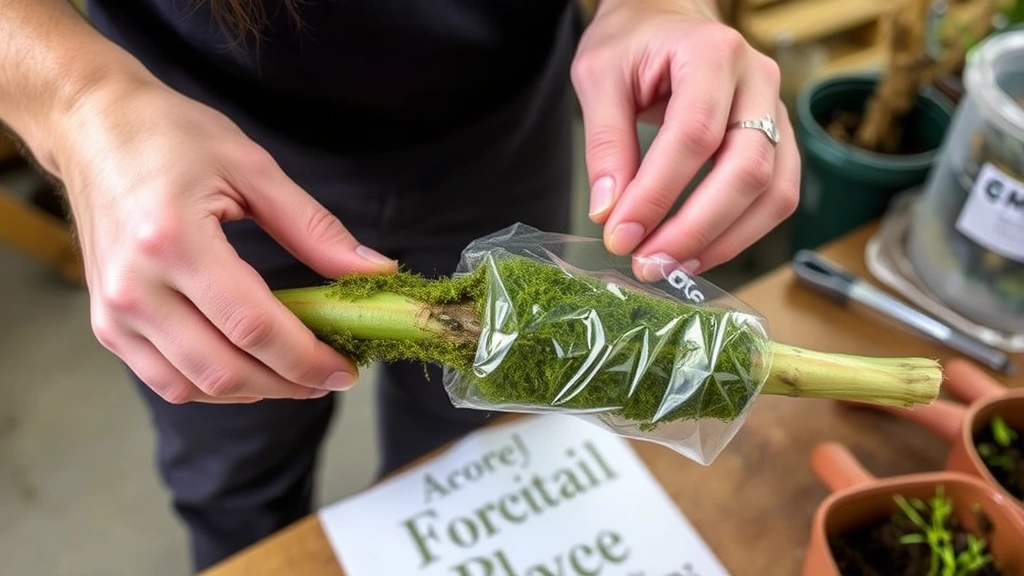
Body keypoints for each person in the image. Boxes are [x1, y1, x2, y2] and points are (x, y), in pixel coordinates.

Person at [0, 0, 800, 571]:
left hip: (501, 130)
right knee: (230, 464)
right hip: (186, 156)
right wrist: (76, 99)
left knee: (466, 449)